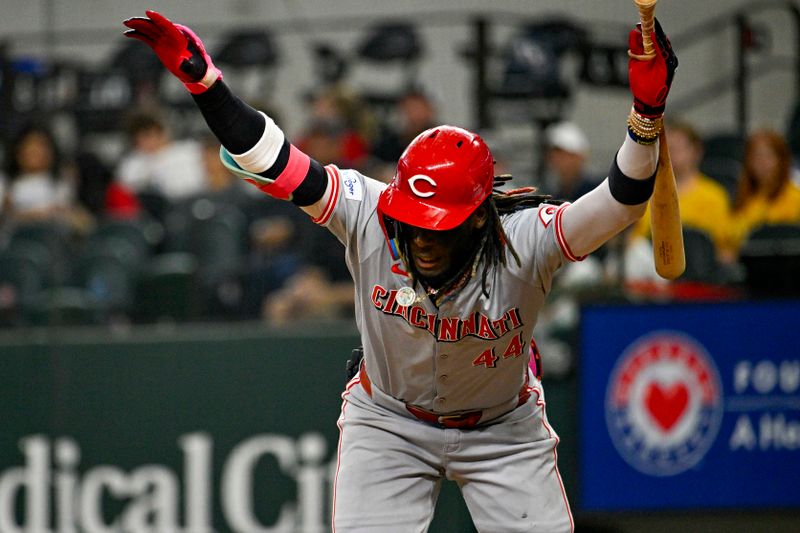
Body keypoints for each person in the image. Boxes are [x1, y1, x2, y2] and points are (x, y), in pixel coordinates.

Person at [123, 10, 677, 532]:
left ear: (481, 219)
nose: (422, 239)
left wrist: (645, 120)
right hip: (388, 422)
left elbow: (621, 201)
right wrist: (206, 86)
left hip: (503, 429)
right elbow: (273, 160)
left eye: (441, 226)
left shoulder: (524, 239)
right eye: (414, 222)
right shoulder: (369, 210)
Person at [630, 120, 733, 262]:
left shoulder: (714, 196)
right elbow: (635, 244)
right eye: (665, 148)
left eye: (676, 148)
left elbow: (724, 249)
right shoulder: (647, 192)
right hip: (654, 268)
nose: (669, 153)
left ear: (696, 151)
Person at [727, 129, 800, 256]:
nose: (761, 163)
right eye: (756, 156)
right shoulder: (742, 199)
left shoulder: (795, 198)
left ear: (782, 160)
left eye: (768, 156)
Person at [541, 121, 599, 202]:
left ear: (578, 157)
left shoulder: (597, 191)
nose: (556, 159)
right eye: (553, 154)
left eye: (562, 154)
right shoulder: (554, 196)